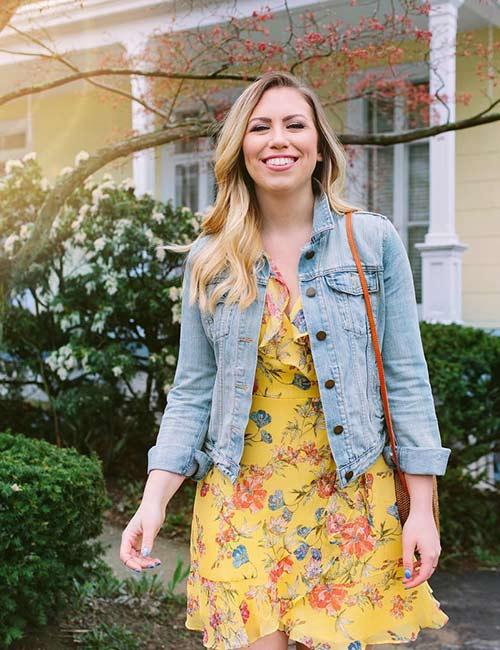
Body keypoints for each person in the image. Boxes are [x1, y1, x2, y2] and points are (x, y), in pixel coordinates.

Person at [120, 71, 451, 650]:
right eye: (260, 127)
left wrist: (420, 509)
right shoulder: (211, 258)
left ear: (319, 145)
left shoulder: (370, 242)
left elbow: (406, 379)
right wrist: (153, 500)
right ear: (240, 148)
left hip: (348, 499)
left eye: (295, 124)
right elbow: (193, 391)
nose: (279, 139)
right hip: (239, 501)